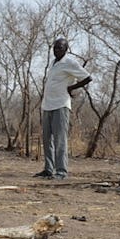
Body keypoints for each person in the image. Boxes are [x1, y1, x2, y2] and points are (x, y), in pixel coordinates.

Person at [35, 38, 91, 180]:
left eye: (60, 48)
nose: (56, 50)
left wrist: (71, 87)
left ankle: (61, 171)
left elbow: (87, 77)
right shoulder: (53, 63)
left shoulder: (70, 63)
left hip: (61, 105)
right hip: (47, 105)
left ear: (66, 49)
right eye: (55, 48)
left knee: (60, 140)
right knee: (47, 139)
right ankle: (48, 169)